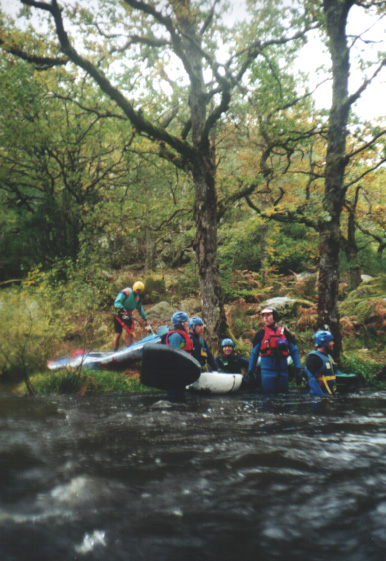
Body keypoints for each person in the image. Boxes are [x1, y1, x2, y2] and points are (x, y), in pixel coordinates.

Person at [244, 306, 302, 392]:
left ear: (274, 316)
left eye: (268, 315)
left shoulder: (285, 333)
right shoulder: (261, 334)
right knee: (268, 399)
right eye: (264, 316)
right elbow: (254, 354)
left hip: (283, 373)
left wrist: (298, 369)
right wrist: (250, 371)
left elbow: (294, 351)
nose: (265, 318)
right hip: (267, 373)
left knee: (283, 398)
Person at [113, 281, 149, 351]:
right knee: (118, 334)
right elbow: (117, 302)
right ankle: (115, 352)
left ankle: (129, 350)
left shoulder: (138, 298)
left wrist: (145, 319)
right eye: (137, 290)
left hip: (127, 314)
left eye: (140, 291)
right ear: (134, 288)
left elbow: (140, 309)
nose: (138, 292)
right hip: (118, 313)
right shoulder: (126, 292)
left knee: (130, 333)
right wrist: (122, 308)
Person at [304, 330, 341, 396]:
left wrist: (349, 376)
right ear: (324, 343)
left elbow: (335, 372)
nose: (333, 343)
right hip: (318, 398)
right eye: (330, 341)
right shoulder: (313, 358)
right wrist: (321, 398)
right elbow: (312, 381)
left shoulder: (328, 357)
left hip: (329, 394)